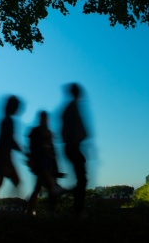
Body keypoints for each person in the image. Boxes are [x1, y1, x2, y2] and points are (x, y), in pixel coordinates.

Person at [0, 95, 23, 217]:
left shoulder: (5, 120)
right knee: (1, 183)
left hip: (3, 156)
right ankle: (7, 208)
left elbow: (8, 140)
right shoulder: (8, 121)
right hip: (4, 157)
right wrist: (23, 151)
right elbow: (9, 140)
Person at [25, 111, 63, 216]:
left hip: (46, 164)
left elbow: (53, 152)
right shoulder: (37, 132)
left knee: (38, 188)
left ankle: (29, 210)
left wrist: (55, 167)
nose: (45, 120)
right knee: (50, 187)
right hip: (41, 165)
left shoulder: (47, 133)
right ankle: (51, 211)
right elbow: (33, 148)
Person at [61, 83, 90, 218]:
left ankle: (77, 207)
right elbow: (72, 131)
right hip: (73, 146)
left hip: (72, 147)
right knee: (82, 179)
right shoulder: (72, 108)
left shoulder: (70, 107)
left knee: (82, 178)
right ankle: (78, 209)